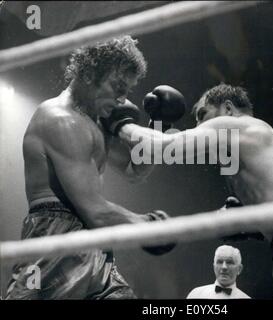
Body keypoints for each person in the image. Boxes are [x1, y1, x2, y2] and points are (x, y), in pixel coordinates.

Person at [107, 83, 273, 298]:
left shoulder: (234, 126)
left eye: (203, 115)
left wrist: (120, 122)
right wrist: (250, 225)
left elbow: (160, 148)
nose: (200, 127)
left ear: (228, 108)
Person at [6, 36, 175, 300]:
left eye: (126, 91)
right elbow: (95, 211)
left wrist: (159, 122)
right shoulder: (59, 119)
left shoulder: (97, 121)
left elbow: (135, 171)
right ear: (88, 73)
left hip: (95, 241)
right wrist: (145, 224)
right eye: (117, 86)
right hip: (55, 238)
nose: (122, 98)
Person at [186, 245, 251, 299]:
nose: (224, 267)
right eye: (219, 262)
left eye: (229, 262)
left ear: (239, 269)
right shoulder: (196, 295)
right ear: (214, 267)